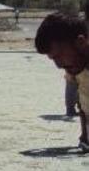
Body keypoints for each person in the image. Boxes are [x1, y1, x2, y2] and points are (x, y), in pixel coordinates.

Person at [35, 12, 89, 152]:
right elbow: (83, 105)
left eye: (59, 56)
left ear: (81, 42)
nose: (58, 65)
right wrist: (85, 136)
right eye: (53, 59)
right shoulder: (77, 70)